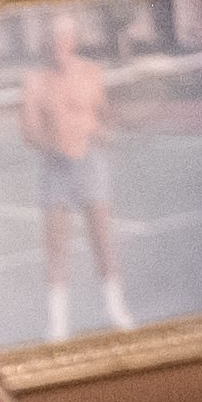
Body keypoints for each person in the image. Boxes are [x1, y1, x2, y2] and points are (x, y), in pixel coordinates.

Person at [17, 18, 130, 341]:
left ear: (73, 40)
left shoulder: (91, 73)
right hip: (55, 169)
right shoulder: (34, 81)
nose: (59, 45)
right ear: (46, 45)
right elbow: (29, 131)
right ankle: (58, 326)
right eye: (53, 40)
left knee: (102, 240)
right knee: (55, 247)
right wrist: (54, 145)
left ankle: (116, 311)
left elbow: (103, 115)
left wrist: (103, 133)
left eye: (64, 39)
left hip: (91, 163)